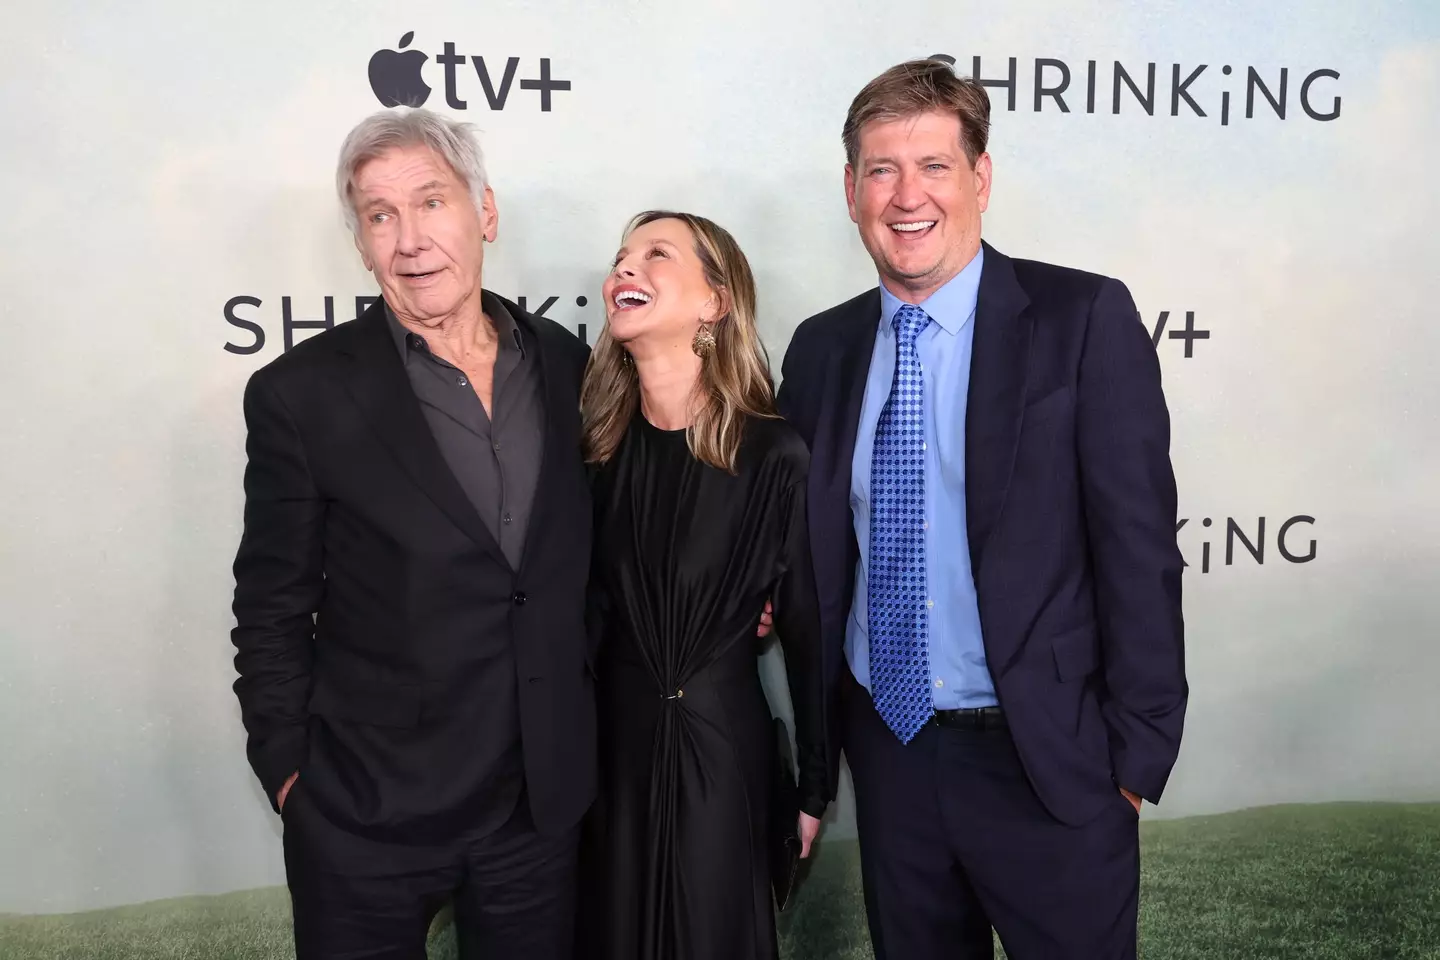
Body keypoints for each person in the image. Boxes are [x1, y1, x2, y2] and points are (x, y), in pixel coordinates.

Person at [776, 59, 1188, 959]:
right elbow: (804, 548)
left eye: (934, 166)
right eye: (882, 169)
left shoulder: (1082, 319)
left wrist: (1132, 765)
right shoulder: (820, 350)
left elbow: (1139, 551)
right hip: (891, 753)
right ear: (851, 191)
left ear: (981, 179)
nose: (906, 195)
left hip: (1049, 764)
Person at [228, 107, 598, 959]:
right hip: (366, 818)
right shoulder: (300, 395)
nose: (409, 239)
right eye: (379, 215)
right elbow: (272, 605)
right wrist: (293, 778)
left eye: (431, 202)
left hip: (536, 815)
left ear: (486, 213)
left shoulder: (567, 366)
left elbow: (600, 555)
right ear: (360, 243)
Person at [577, 211, 834, 960]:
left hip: (722, 759)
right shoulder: (590, 452)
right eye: (621, 257)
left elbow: (807, 625)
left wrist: (814, 786)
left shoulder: (771, 453)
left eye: (656, 255)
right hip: (606, 762)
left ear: (714, 303)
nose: (626, 269)